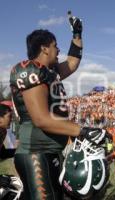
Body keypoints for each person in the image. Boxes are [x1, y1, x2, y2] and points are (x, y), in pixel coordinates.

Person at [9, 13, 104, 199]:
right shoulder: (30, 69)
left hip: (50, 151)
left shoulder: (50, 72)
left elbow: (73, 62)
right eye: (55, 46)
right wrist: (82, 131)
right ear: (44, 48)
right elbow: (41, 119)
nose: (58, 50)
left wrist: (77, 34)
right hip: (35, 152)